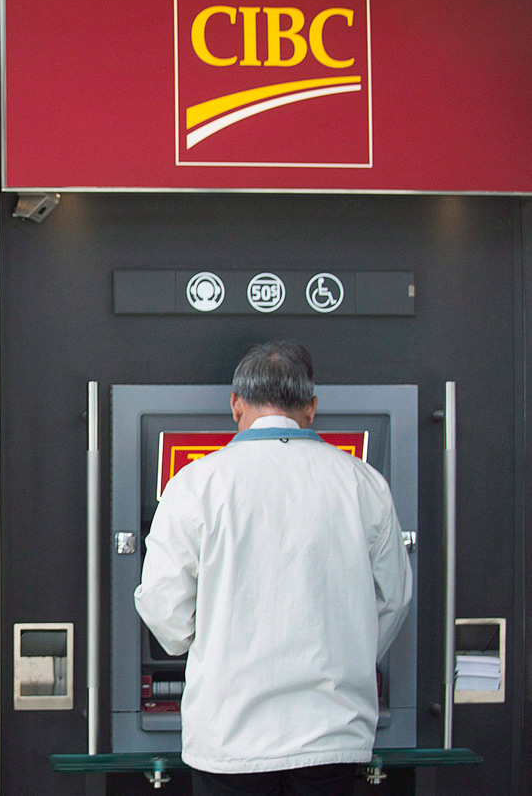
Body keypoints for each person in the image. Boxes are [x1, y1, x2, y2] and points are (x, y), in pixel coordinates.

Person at [134, 340, 412, 796]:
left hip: (230, 736)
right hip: (332, 735)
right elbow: (394, 598)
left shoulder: (196, 483)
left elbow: (164, 606)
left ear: (236, 405)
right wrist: (349, 650)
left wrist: (208, 643)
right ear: (311, 408)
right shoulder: (364, 484)